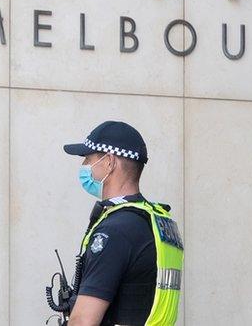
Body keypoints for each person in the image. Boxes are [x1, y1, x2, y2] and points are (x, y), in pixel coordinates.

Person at [61, 121, 184, 326]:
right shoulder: (157, 223)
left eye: (88, 159)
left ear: (109, 162)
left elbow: (84, 321)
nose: (84, 167)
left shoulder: (116, 231)